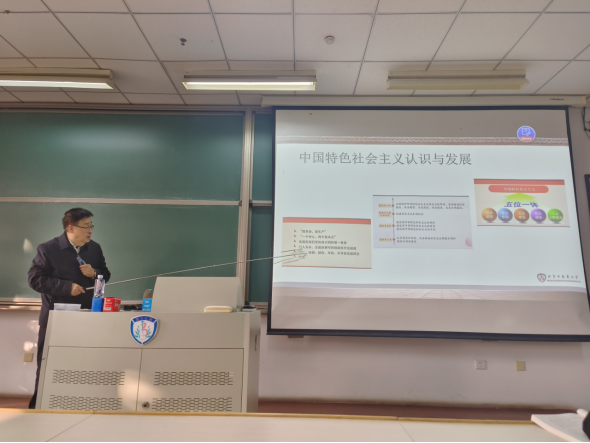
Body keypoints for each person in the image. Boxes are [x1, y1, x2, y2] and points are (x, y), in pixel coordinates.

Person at [27, 208, 111, 409]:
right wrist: (66, 287)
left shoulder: (94, 248)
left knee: (84, 364)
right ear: (71, 228)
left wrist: (95, 273)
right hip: (56, 319)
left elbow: (105, 275)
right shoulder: (48, 249)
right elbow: (35, 279)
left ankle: (79, 405)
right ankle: (39, 407)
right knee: (49, 364)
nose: (90, 230)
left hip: (87, 317)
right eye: (86, 226)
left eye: (91, 226)